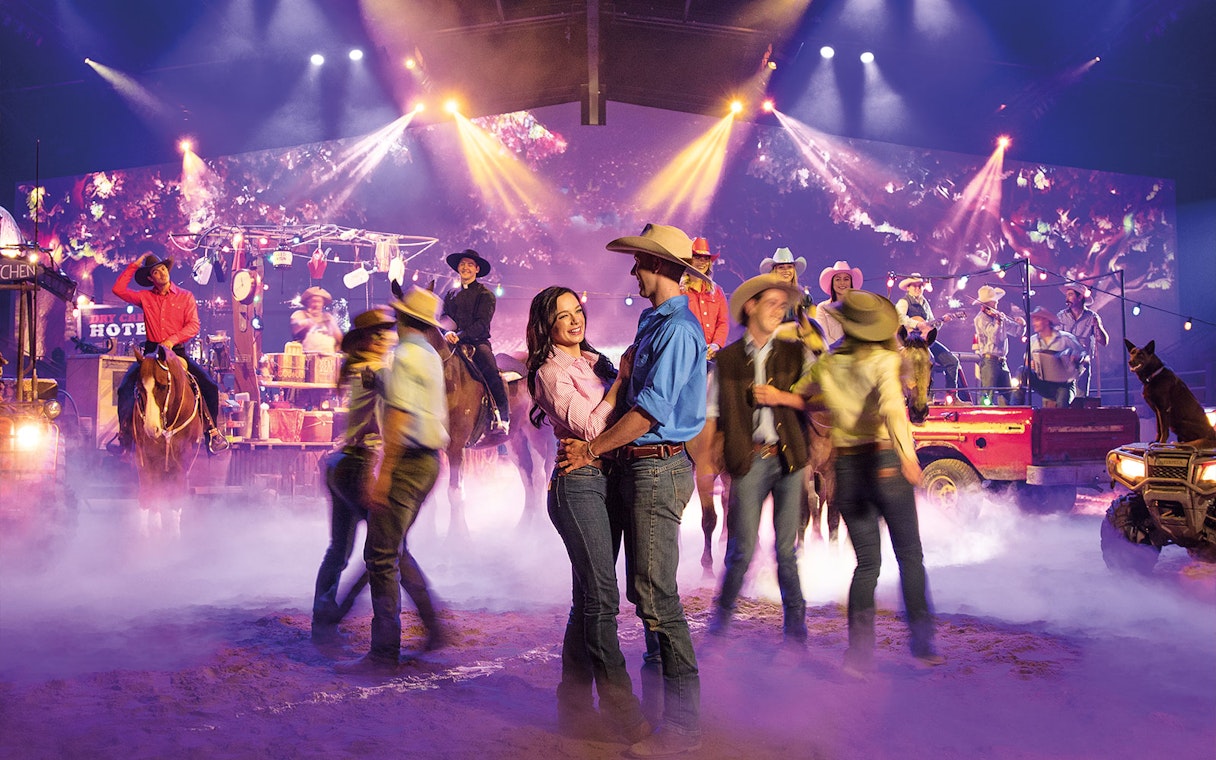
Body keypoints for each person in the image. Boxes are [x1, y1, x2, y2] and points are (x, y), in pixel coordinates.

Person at [559, 223, 708, 758]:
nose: (634, 271)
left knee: (654, 596)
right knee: (646, 593)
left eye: (641, 263)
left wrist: (592, 449)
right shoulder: (653, 322)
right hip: (642, 466)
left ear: (662, 267)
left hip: (657, 466)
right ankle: (661, 715)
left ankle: (684, 728)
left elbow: (649, 412)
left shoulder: (677, 330)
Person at [525, 286, 651, 745]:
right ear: (547, 326)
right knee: (602, 600)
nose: (575, 321)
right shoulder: (548, 372)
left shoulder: (596, 361)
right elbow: (593, 427)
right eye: (563, 316)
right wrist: (619, 385)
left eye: (577, 311)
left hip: (606, 480)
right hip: (577, 486)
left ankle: (572, 708)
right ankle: (624, 715)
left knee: (587, 603)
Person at [800, 289, 944, 677]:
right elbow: (894, 411)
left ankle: (859, 656)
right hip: (884, 463)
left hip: (847, 466)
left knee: (867, 565)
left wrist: (781, 396)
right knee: (910, 556)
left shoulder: (829, 363)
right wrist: (909, 458)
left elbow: (800, 394)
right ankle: (922, 644)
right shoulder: (885, 360)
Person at [336, 286, 450, 676]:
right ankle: (434, 629)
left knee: (381, 556)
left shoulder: (403, 356)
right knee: (393, 549)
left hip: (409, 462)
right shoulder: (429, 355)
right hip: (429, 461)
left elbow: (400, 417)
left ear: (403, 320)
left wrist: (383, 476)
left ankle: (384, 654)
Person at [705, 274, 814, 647]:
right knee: (741, 549)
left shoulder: (795, 353)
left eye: (783, 306)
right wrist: (710, 462)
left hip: (788, 460)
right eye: (772, 303)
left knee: (787, 549)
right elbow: (714, 414)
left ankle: (796, 634)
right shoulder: (729, 359)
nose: (779, 310)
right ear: (750, 306)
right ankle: (718, 628)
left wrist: (781, 398)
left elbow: (817, 400)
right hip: (749, 459)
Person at [311, 307, 397, 646]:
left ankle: (324, 617)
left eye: (385, 332)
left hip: (343, 463)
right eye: (376, 334)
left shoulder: (359, 369)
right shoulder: (375, 370)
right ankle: (338, 612)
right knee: (387, 550)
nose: (383, 338)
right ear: (364, 341)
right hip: (361, 464)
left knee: (340, 549)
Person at [110, 251, 226, 455]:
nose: (162, 273)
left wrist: (172, 340)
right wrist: (134, 264)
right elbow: (117, 289)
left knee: (208, 385)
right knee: (125, 387)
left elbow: (194, 325)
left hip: (175, 351)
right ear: (150, 278)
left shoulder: (185, 296)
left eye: (163, 269)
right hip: (151, 351)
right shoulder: (144, 297)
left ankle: (212, 432)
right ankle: (124, 434)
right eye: (156, 271)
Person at [441, 248, 509, 435]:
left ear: (477, 269)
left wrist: (460, 336)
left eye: (470, 264)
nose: (465, 267)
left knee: (491, 370)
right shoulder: (450, 294)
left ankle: (501, 417)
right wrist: (446, 332)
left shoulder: (486, 295)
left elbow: (482, 323)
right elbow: (443, 317)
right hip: (451, 342)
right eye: (462, 264)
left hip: (477, 343)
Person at [895, 274, 968, 402]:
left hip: (925, 341)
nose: (918, 288)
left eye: (920, 286)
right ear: (908, 288)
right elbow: (899, 318)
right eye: (915, 286)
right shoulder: (904, 302)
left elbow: (930, 325)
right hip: (910, 342)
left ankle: (952, 397)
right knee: (929, 361)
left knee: (952, 361)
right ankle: (926, 396)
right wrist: (917, 324)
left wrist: (940, 322)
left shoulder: (925, 303)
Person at [972, 285, 1025, 406]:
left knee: (1009, 394)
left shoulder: (999, 316)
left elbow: (1017, 332)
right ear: (987, 303)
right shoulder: (980, 319)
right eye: (994, 301)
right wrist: (998, 322)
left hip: (1002, 361)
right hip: (989, 360)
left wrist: (1022, 325)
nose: (997, 303)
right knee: (987, 396)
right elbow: (993, 338)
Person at [1024, 306, 1083, 408]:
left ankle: (1060, 422)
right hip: (1044, 383)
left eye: (1037, 320)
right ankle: (1016, 407)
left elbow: (1084, 356)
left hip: (1064, 384)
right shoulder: (1033, 340)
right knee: (1022, 371)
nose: (1033, 323)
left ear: (1046, 321)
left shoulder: (1066, 338)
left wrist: (1076, 358)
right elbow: (1026, 361)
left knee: (1062, 403)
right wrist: (1030, 363)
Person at [1056, 284, 1109, 399]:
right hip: (1064, 364)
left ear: (1080, 297)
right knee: (1063, 399)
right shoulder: (1061, 316)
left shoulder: (1091, 317)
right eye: (1067, 295)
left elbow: (1103, 341)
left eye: (1070, 295)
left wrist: (1098, 326)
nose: (1067, 298)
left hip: (1082, 365)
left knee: (1080, 399)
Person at [682, 237, 728, 360]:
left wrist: (715, 345)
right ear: (689, 260)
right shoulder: (679, 291)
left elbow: (722, 322)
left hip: (711, 355)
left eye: (705, 258)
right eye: (697, 257)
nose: (702, 262)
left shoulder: (717, 291)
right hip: (686, 354)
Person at [815, 260, 863, 349]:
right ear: (832, 283)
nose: (842, 283)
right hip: (831, 357)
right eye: (838, 279)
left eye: (846, 279)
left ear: (851, 283)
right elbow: (822, 336)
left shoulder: (858, 307)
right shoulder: (822, 307)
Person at [290, 286, 343, 353]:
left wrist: (336, 350)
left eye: (319, 302)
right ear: (307, 302)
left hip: (328, 358)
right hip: (306, 358)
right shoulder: (300, 314)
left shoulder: (328, 317)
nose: (316, 304)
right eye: (314, 301)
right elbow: (295, 326)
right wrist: (307, 322)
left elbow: (339, 339)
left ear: (323, 304)